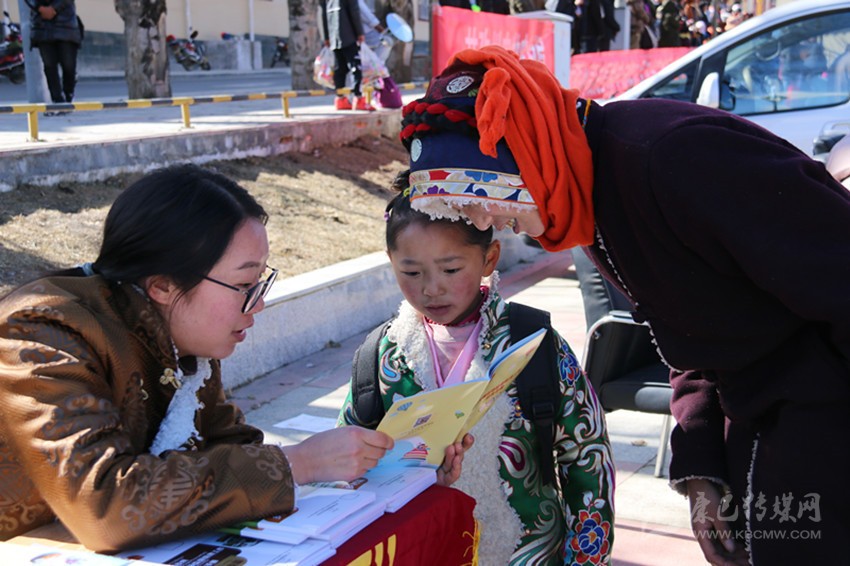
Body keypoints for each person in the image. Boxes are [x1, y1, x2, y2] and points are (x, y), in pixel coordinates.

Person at [395, 45, 850, 565]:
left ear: (529, 155)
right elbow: (687, 334)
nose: (483, 222)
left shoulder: (672, 156)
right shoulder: (590, 193)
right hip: (766, 430)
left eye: (480, 198)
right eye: (463, 209)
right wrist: (701, 466)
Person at [0, 164, 467, 552]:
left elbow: (231, 448)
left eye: (260, 283)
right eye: (244, 285)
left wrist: (394, 464)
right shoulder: (42, 332)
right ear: (163, 285)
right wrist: (300, 463)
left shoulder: (180, 338)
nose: (257, 305)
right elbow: (104, 504)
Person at [337, 179, 615, 565]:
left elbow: (587, 459)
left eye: (451, 269)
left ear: (489, 258)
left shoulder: (534, 344)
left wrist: (585, 559)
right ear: (391, 261)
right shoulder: (381, 356)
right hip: (419, 553)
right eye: (411, 272)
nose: (432, 288)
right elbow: (345, 458)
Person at [320, 0, 375, 111]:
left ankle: (340, 99)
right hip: (349, 36)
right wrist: (359, 33)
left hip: (334, 37)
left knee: (340, 68)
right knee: (356, 67)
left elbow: (324, 16)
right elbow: (354, 12)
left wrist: (327, 36)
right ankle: (358, 98)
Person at [28, 0, 82, 113]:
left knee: (68, 64)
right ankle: (57, 101)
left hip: (66, 23)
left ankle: (68, 95)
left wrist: (54, 8)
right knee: (49, 65)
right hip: (41, 23)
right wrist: (40, 8)